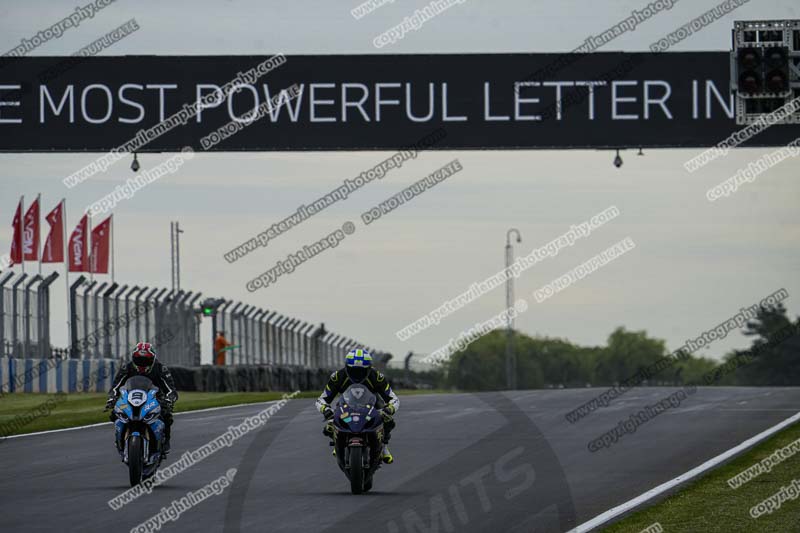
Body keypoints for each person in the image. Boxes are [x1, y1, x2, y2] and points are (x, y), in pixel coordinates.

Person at [315, 348, 399, 464]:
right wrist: (326, 409)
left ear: (369, 369)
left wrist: (389, 408)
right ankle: (338, 441)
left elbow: (393, 398)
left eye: (361, 371)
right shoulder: (338, 376)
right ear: (347, 367)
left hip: (373, 405)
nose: (358, 375)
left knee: (389, 420)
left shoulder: (377, 376)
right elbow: (322, 399)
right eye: (353, 371)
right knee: (329, 426)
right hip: (345, 406)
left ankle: (384, 446)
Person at [106, 342, 179, 453]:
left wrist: (169, 399)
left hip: (154, 398)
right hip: (130, 397)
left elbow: (171, 389)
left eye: (146, 361)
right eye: (139, 360)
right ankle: (119, 438)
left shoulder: (160, 369)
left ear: (153, 359)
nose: (142, 364)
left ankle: (165, 441)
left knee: (166, 415)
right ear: (134, 358)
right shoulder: (127, 367)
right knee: (115, 414)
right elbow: (115, 386)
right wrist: (112, 398)